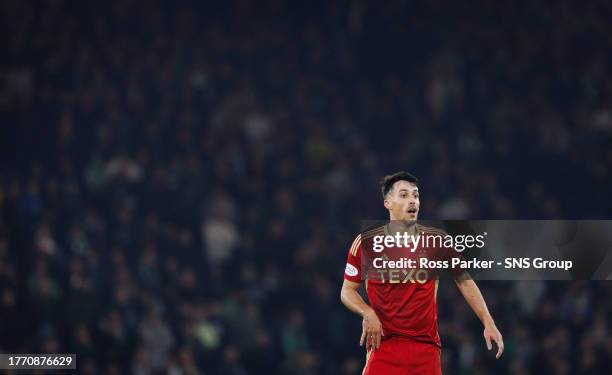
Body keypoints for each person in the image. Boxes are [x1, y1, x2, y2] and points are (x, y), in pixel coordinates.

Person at [340, 171, 503, 374]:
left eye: (416, 195)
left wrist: (488, 322)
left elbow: (464, 281)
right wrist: (367, 312)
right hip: (384, 349)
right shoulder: (366, 242)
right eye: (404, 195)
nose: (412, 201)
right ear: (387, 203)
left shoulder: (437, 241)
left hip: (426, 351)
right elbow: (347, 291)